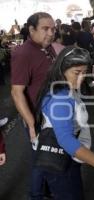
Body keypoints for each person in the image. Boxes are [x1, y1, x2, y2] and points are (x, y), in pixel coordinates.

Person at [34, 47, 94, 199]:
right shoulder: (60, 99)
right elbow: (65, 139)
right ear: (62, 69)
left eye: (84, 72)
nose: (81, 78)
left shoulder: (65, 87)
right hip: (61, 163)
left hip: (69, 159)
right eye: (77, 72)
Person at [10, 12, 56, 198]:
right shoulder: (23, 53)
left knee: (50, 157)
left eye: (53, 29)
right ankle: (36, 195)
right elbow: (16, 92)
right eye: (45, 29)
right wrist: (31, 124)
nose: (51, 33)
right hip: (38, 118)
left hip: (52, 115)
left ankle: (46, 191)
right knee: (40, 160)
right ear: (31, 30)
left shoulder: (47, 48)